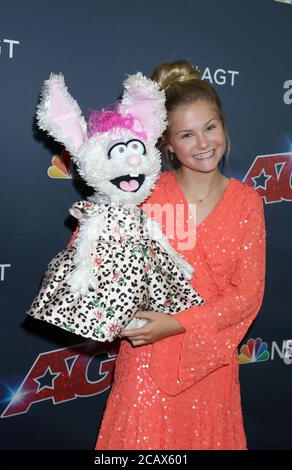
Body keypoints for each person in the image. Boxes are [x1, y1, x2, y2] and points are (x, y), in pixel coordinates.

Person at [85, 60, 266, 450]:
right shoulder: (142, 194)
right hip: (147, 360)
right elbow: (103, 269)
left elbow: (247, 296)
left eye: (210, 128)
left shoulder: (248, 202)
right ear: (166, 143)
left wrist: (178, 323)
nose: (203, 144)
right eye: (186, 134)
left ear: (223, 126)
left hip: (211, 365)